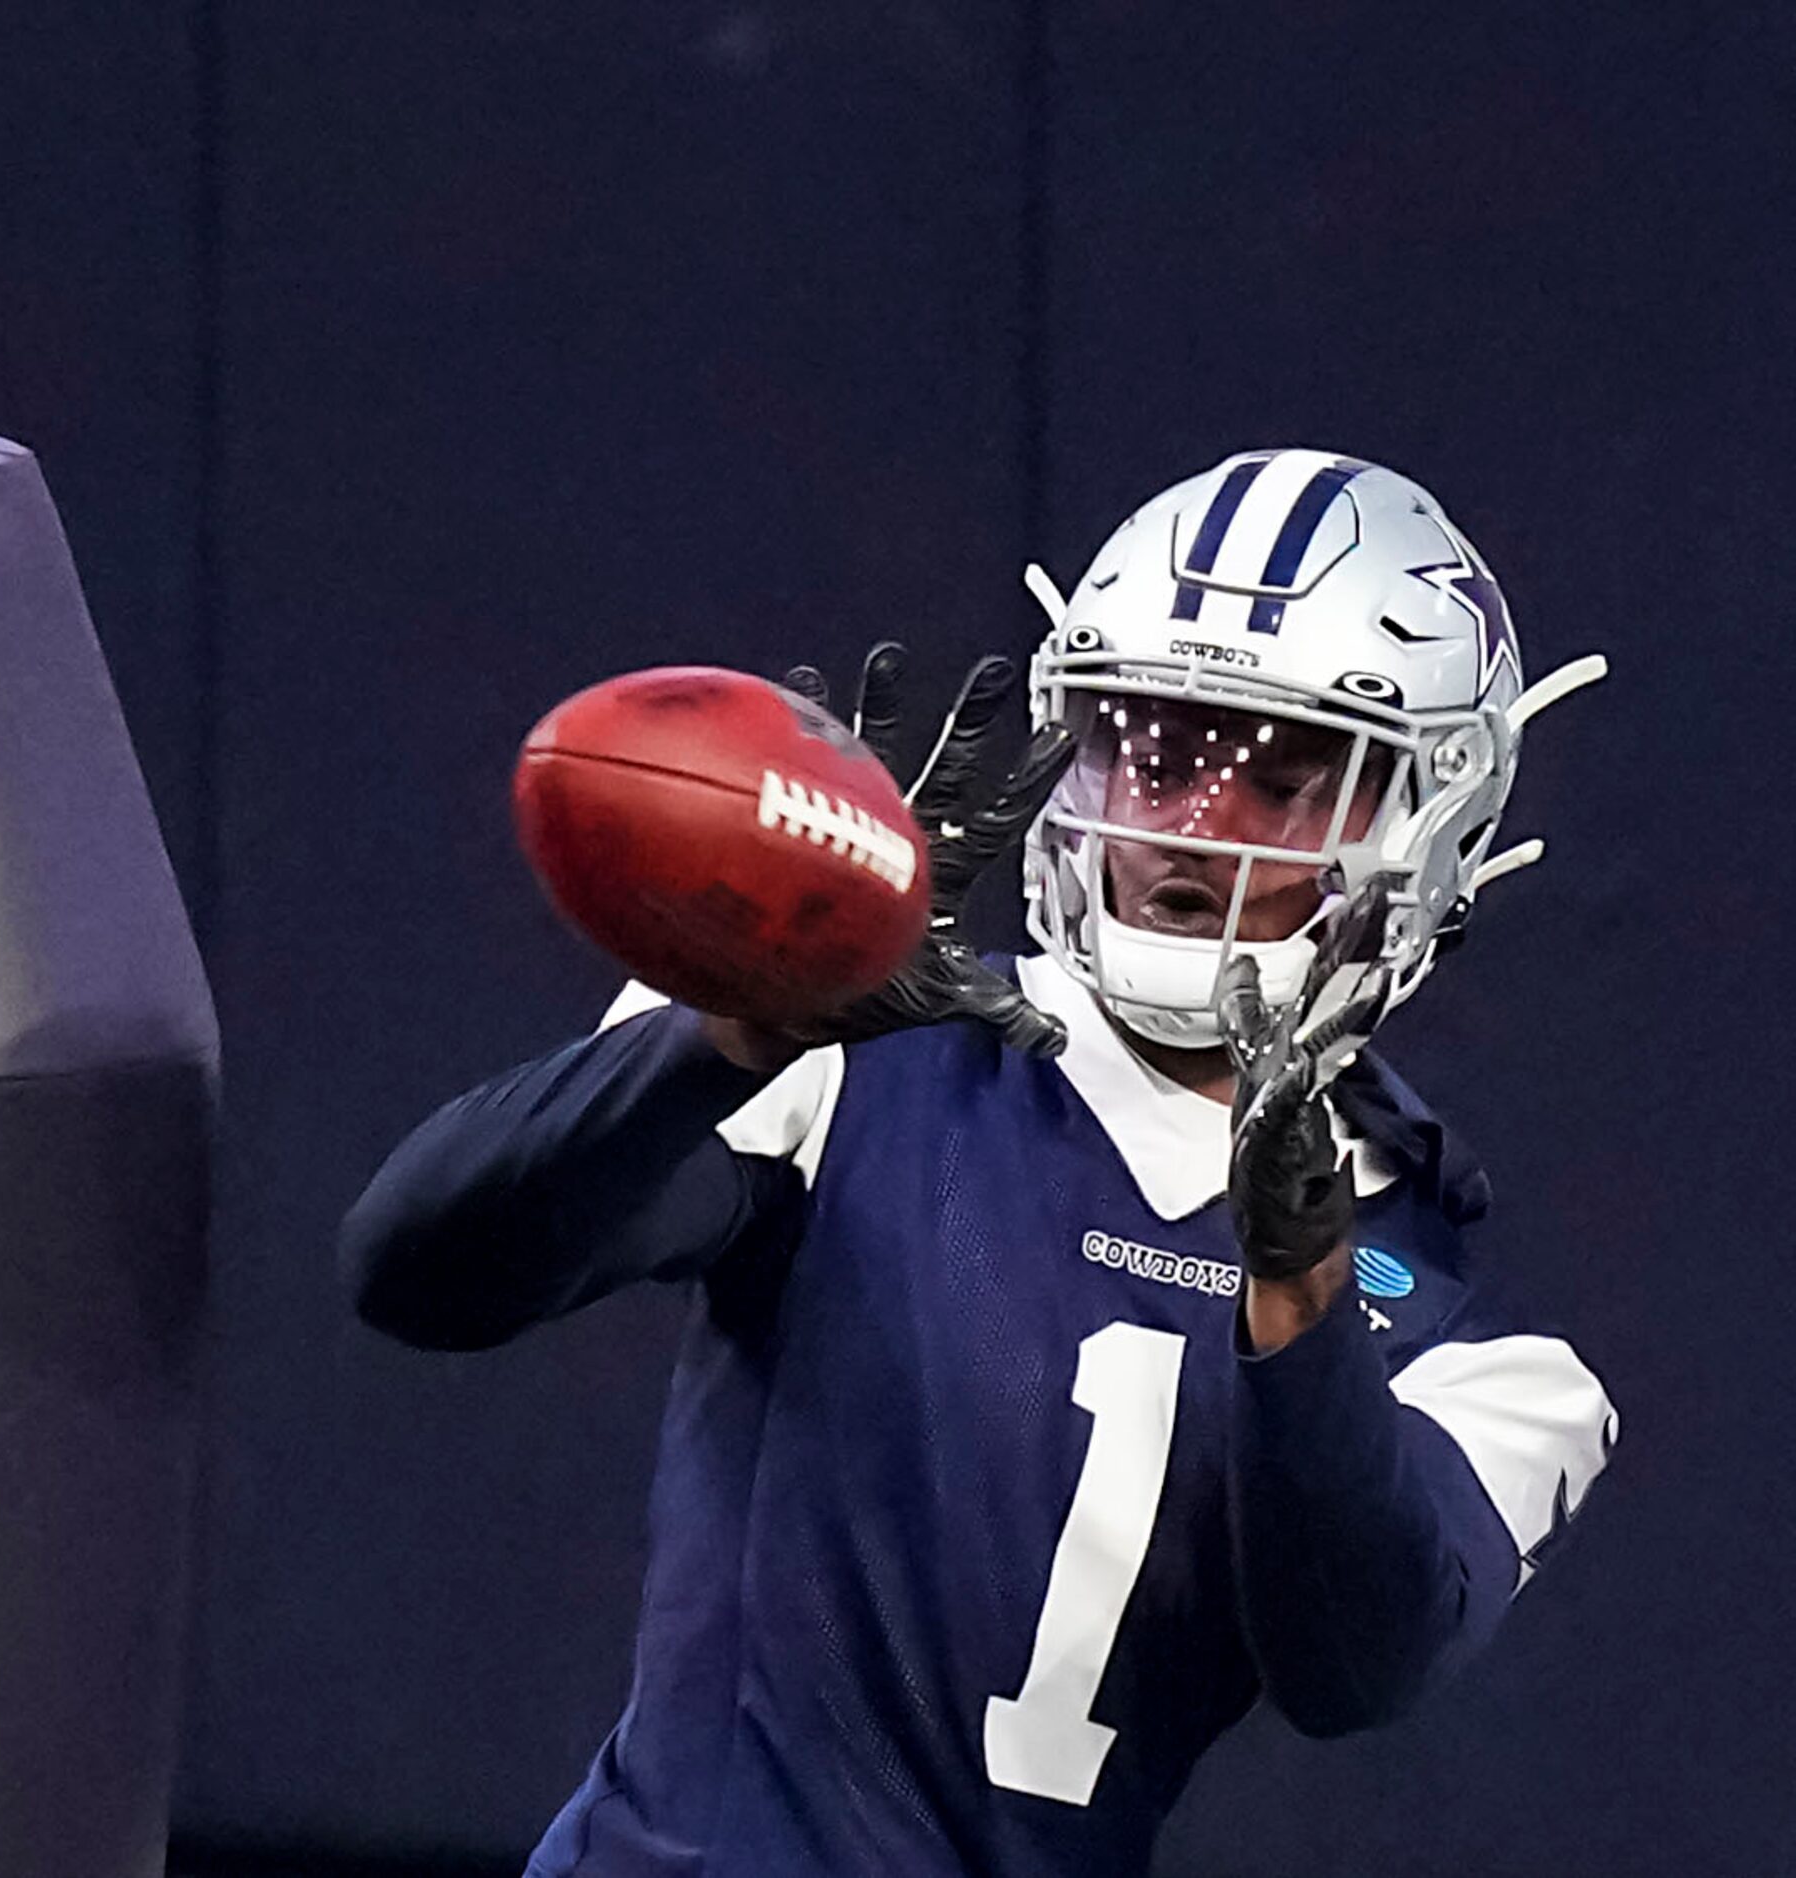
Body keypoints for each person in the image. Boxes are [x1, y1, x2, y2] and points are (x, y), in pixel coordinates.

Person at [340, 449, 1619, 1877]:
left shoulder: (1484, 1348)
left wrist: (1297, 1293)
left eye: (1277, 770)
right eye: (1149, 743)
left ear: (1428, 818)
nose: (1181, 822)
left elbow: (1353, 1661)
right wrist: (739, 1023)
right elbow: (422, 1272)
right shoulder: (856, 1031)